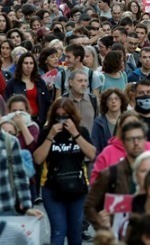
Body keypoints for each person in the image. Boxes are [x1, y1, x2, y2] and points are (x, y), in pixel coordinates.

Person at [33, 97, 96, 245]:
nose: (62, 119)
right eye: (58, 116)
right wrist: (50, 136)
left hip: (77, 188)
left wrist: (76, 134)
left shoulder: (81, 131)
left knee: (75, 232)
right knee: (58, 231)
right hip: (53, 188)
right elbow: (38, 159)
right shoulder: (47, 132)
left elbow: (92, 154)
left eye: (65, 116)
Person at [85, 120, 148, 230]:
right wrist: (102, 227)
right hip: (118, 236)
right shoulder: (110, 173)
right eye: (131, 139)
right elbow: (89, 205)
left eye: (139, 138)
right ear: (123, 142)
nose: (136, 142)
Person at [91, 111, 150, 182]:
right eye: (127, 126)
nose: (132, 129)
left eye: (135, 125)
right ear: (120, 130)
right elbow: (95, 181)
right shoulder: (108, 152)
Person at [4, 52, 52, 124]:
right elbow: (6, 103)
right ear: (20, 65)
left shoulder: (39, 82)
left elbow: (47, 102)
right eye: (26, 63)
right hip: (19, 121)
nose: (29, 66)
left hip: (38, 121)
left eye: (31, 63)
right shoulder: (12, 83)